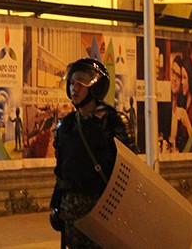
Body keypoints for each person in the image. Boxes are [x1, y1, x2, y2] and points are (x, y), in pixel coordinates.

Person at [49, 58, 137, 248]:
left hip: (104, 212)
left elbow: (131, 172)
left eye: (81, 83)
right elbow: (62, 171)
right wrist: (57, 205)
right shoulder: (66, 126)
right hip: (72, 214)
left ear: (96, 87)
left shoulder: (113, 122)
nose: (74, 88)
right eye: (72, 82)